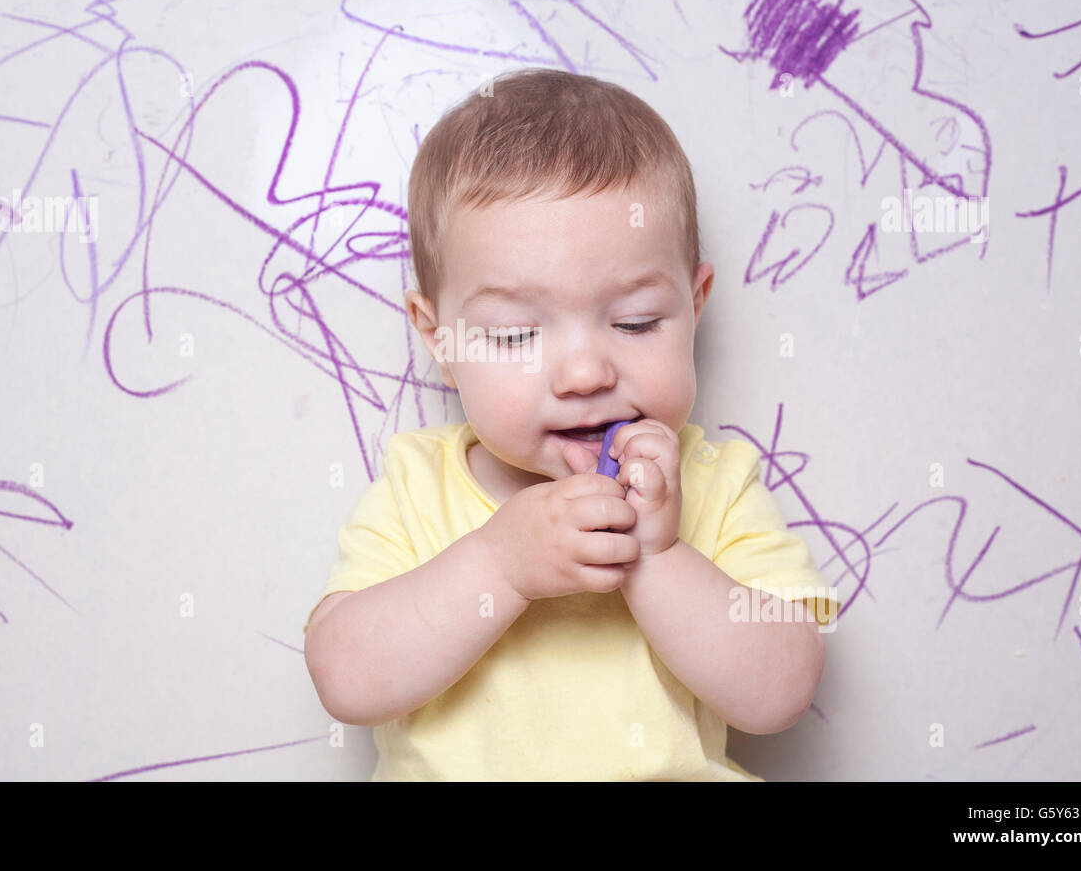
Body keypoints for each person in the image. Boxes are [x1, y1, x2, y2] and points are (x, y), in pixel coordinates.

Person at [303, 67, 839, 780]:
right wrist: (500, 564)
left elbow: (779, 693)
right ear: (439, 338)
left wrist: (657, 557)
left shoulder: (716, 481)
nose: (585, 374)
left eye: (635, 322)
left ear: (695, 303)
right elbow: (347, 679)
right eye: (517, 334)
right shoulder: (416, 484)